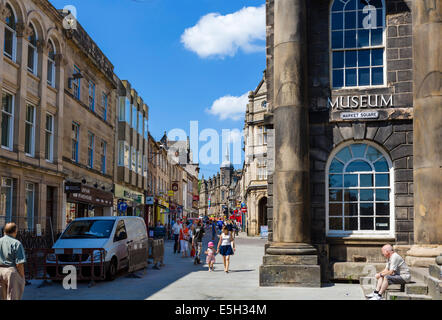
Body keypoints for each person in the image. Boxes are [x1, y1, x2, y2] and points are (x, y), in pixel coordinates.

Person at [0, 223, 26, 300]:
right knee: (13, 297)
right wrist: (22, 277)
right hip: (11, 272)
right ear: (15, 231)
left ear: (4, 231)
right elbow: (19, 263)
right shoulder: (16, 243)